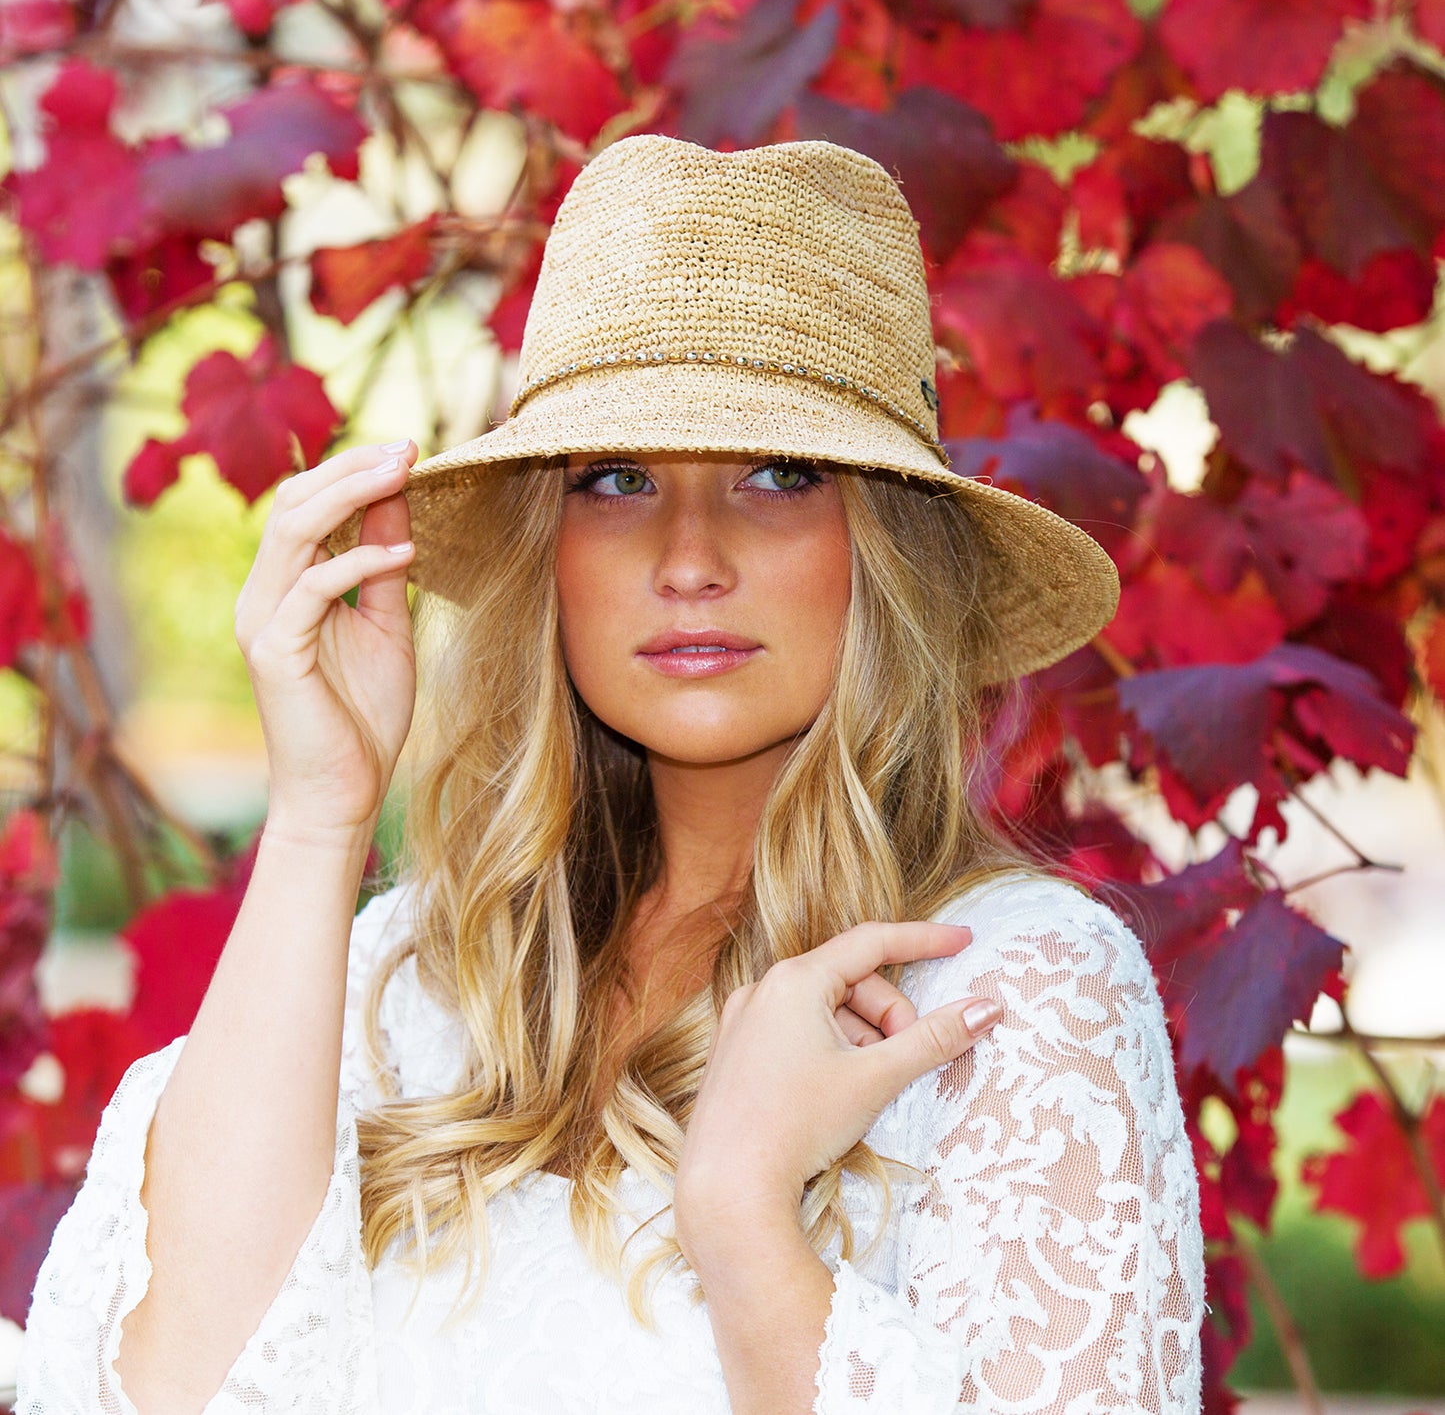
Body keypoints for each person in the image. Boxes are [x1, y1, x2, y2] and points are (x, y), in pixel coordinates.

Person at [17, 133, 1204, 1414]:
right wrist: (319, 820)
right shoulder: (409, 975)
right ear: (553, 555)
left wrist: (743, 1218)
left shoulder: (1014, 993)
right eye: (618, 479)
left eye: (777, 473)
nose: (688, 557)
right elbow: (157, 1387)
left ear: (885, 550)